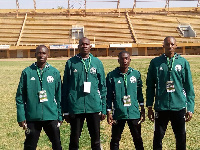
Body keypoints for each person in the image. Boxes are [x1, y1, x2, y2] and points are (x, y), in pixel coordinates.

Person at [146, 36, 195, 150]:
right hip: (161, 107)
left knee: (181, 138)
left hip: (179, 106)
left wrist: (190, 107)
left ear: (176, 46)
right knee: (158, 138)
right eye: (167, 44)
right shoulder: (155, 63)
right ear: (163, 46)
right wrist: (149, 106)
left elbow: (189, 86)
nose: (170, 46)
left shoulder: (183, 62)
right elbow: (150, 86)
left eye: (172, 44)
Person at [62, 37, 106, 150]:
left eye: (87, 44)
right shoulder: (71, 63)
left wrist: (104, 108)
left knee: (96, 140)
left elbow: (102, 86)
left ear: (90, 46)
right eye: (82, 44)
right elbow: (65, 87)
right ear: (78, 46)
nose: (84, 46)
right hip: (76, 106)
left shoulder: (97, 62)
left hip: (94, 106)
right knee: (74, 140)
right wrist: (65, 110)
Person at [16, 45, 62, 150]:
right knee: (29, 146)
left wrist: (59, 115)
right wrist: (21, 116)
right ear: (35, 55)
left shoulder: (54, 72)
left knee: (57, 145)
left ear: (48, 55)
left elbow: (59, 96)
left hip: (51, 115)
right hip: (33, 116)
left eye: (44, 53)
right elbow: (20, 97)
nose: (41, 55)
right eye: (39, 53)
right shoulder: (27, 72)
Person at [106, 51, 145, 150]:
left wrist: (142, 109)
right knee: (115, 139)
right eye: (122, 59)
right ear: (118, 60)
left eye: (126, 58)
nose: (124, 61)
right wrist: (109, 112)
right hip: (119, 112)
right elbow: (109, 95)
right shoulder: (111, 76)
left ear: (130, 60)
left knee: (138, 139)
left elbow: (139, 93)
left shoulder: (136, 74)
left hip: (133, 112)